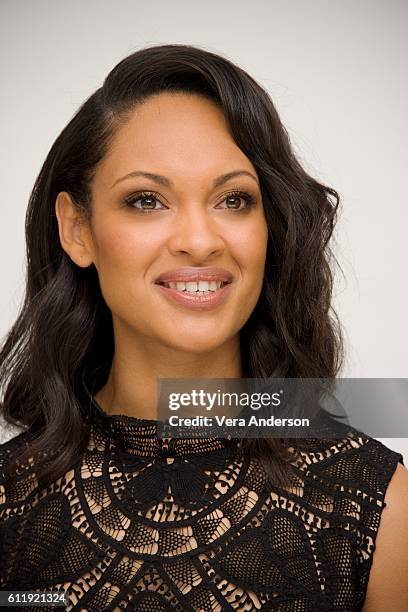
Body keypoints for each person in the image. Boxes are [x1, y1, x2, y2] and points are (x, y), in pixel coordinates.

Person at [0, 43, 407, 612]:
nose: (199, 239)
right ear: (77, 230)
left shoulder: (380, 508)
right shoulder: (8, 501)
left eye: (233, 200)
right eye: (147, 200)